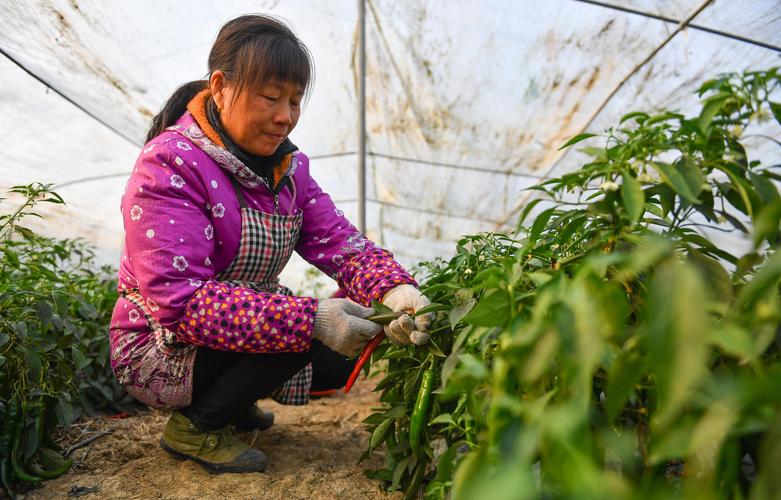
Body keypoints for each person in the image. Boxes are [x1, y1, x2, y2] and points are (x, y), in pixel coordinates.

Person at [108, 14, 433, 474]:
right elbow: (181, 304)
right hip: (159, 348)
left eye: (296, 100)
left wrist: (395, 292)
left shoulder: (288, 171)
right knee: (301, 328)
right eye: (271, 97)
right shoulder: (170, 164)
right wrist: (310, 319)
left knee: (345, 335)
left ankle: (231, 404)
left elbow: (340, 241)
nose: (286, 116)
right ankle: (196, 426)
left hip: (223, 335)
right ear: (220, 87)